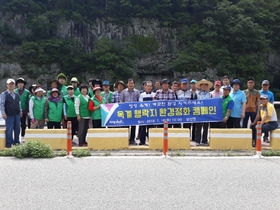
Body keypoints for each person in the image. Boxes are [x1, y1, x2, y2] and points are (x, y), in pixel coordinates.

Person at [0, 79, 21, 148]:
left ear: (14, 85)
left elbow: (19, 104)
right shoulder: (4, 94)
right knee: (9, 129)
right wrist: (3, 113)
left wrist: (20, 111)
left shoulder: (16, 94)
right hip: (9, 114)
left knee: (17, 128)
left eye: (12, 84)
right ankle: (9, 143)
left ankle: (16, 142)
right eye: (10, 84)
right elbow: (2, 104)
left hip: (17, 114)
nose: (11, 85)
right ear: (7, 85)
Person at [120, 78, 140, 145]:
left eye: (132, 83)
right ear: (127, 84)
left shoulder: (137, 92)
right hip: (126, 112)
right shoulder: (123, 92)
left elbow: (139, 102)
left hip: (134, 112)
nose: (130, 84)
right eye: (129, 83)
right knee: (125, 126)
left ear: (134, 84)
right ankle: (125, 139)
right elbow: (121, 101)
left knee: (133, 126)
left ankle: (132, 140)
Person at [195, 79, 213, 146]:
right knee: (198, 126)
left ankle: (204, 140)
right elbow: (194, 103)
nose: (204, 86)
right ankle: (198, 140)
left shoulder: (210, 94)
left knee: (206, 126)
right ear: (200, 86)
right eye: (202, 85)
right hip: (199, 112)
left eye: (205, 85)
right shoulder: (196, 94)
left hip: (207, 112)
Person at [242, 78, 260, 144]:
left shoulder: (257, 92)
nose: (250, 84)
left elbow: (258, 101)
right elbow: (242, 102)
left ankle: (254, 140)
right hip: (246, 110)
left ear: (254, 84)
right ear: (247, 83)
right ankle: (244, 139)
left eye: (252, 82)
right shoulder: (244, 92)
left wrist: (258, 110)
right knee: (244, 125)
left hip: (253, 110)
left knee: (254, 125)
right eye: (249, 82)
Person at [138, 81, 156, 145]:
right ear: (145, 87)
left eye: (150, 86)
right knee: (142, 128)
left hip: (151, 114)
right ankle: (142, 141)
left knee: (151, 128)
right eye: (147, 86)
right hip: (144, 113)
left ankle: (151, 141)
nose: (149, 88)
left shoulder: (154, 94)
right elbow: (140, 104)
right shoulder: (142, 95)